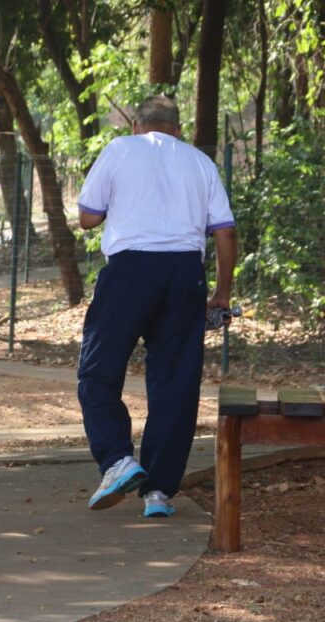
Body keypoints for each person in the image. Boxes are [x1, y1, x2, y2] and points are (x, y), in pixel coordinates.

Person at [76, 95, 238, 518]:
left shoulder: (118, 150)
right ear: (178, 130)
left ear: (135, 126)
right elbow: (225, 233)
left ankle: (116, 460)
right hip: (185, 275)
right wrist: (221, 294)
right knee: (175, 384)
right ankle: (159, 493)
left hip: (130, 271)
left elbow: (88, 218)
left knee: (98, 371)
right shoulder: (201, 163)